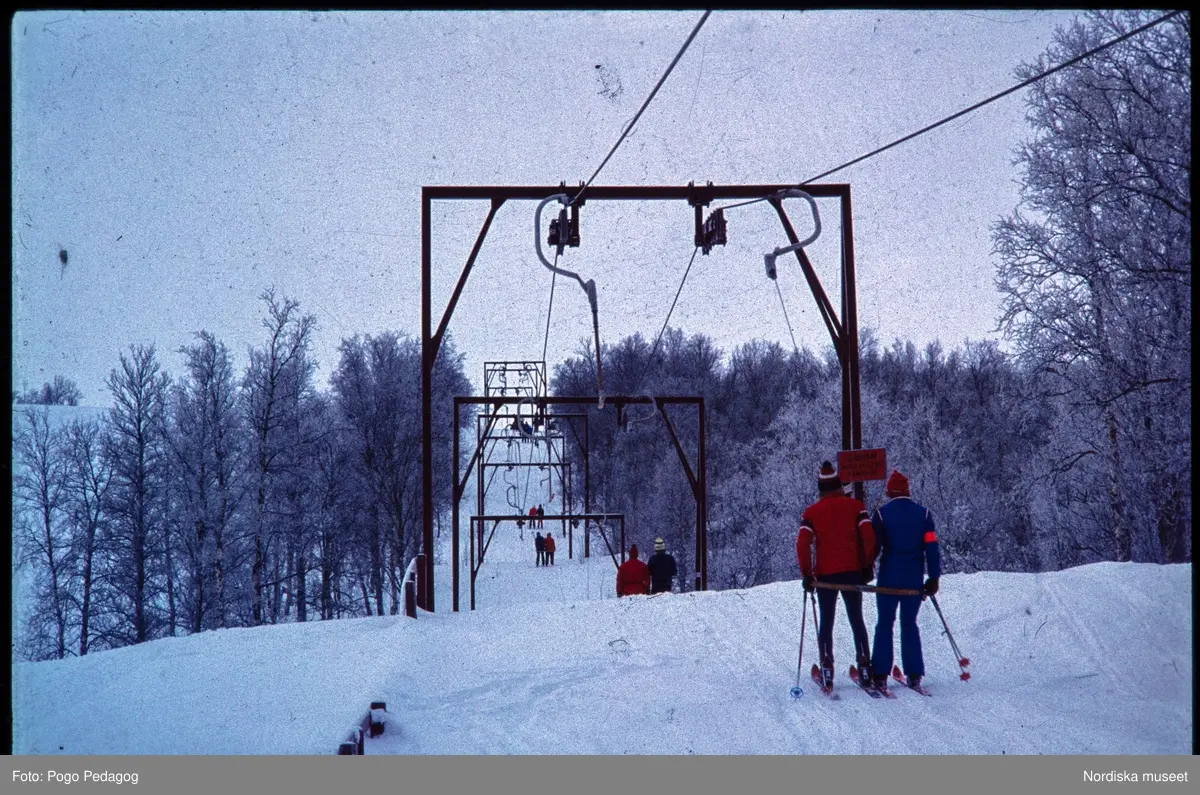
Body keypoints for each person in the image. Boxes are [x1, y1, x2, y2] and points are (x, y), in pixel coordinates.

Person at [796, 460, 877, 690]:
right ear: (840, 485)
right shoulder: (856, 507)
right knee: (856, 619)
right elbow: (868, 536)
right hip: (852, 572)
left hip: (825, 576)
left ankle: (827, 667)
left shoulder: (811, 512)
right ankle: (864, 666)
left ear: (821, 488)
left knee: (826, 621)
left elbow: (802, 544)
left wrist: (807, 573)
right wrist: (867, 565)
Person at [869, 470, 941, 691]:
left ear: (890, 491)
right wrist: (934, 576)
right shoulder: (924, 514)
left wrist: (865, 567)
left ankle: (880, 672)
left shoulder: (881, 515)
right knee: (909, 623)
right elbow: (932, 546)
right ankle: (914, 673)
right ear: (908, 491)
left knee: (885, 623)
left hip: (889, 576)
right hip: (913, 578)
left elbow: (874, 547)